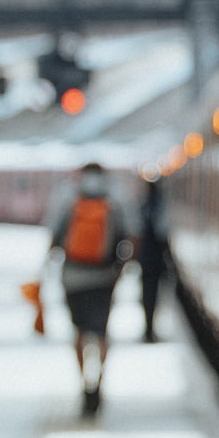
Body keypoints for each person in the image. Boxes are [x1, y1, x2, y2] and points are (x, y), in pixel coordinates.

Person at [50, 162, 130, 417]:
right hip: (103, 279)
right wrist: (116, 271)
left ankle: (84, 383)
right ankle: (100, 382)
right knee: (102, 333)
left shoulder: (70, 205)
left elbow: (55, 242)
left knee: (80, 333)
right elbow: (125, 244)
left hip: (73, 279)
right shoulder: (113, 207)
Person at [135, 172, 169, 343]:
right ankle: (149, 329)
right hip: (156, 259)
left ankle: (147, 328)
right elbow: (163, 233)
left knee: (146, 293)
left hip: (144, 258)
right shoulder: (160, 206)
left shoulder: (141, 206)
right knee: (154, 294)